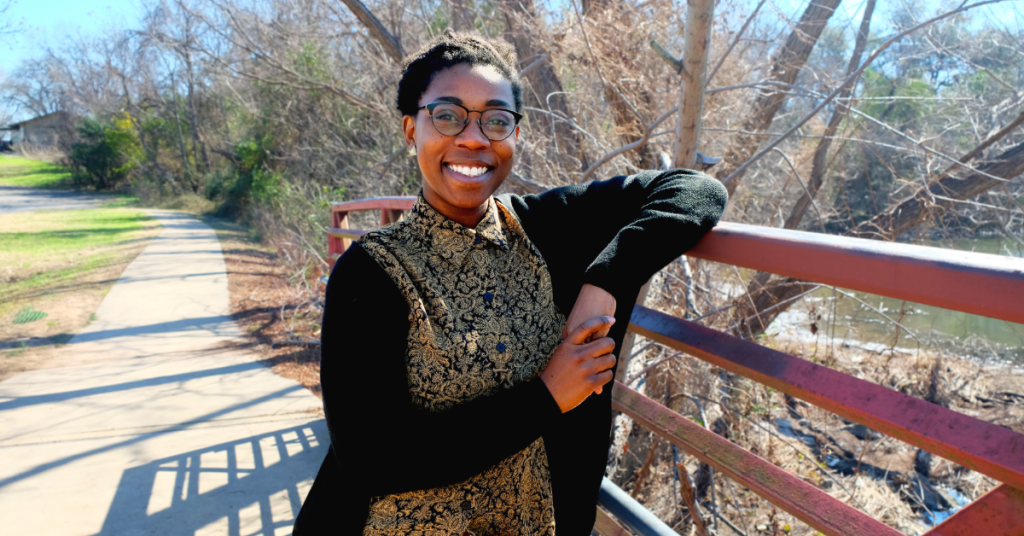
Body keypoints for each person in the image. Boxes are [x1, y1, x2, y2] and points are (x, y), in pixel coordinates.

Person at [294, 29, 728, 536]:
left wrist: (607, 277)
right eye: (448, 115)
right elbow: (374, 460)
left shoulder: (548, 228)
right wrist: (546, 396)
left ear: (515, 136)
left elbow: (695, 190)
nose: (474, 138)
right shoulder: (371, 273)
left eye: (496, 121)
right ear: (412, 130)